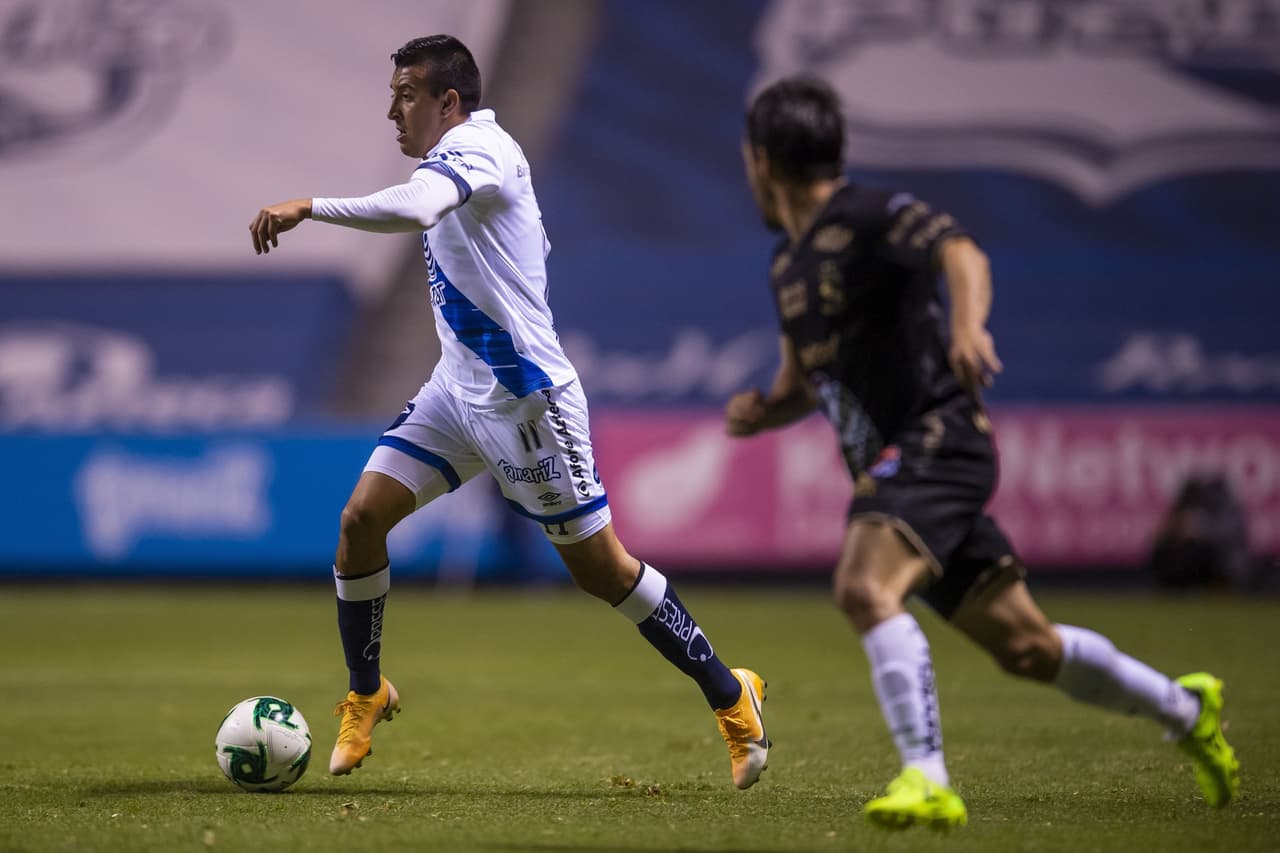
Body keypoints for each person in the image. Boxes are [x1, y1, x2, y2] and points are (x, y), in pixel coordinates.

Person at [247, 35, 768, 788]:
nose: (393, 112)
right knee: (361, 520)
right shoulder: (454, 160)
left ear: (448, 103)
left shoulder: (481, 151)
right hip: (457, 392)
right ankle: (367, 691)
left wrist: (310, 205)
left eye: (406, 97)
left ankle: (732, 692)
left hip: (529, 403)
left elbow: (418, 207)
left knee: (603, 571)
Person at [726, 75, 1238, 830]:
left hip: (938, 437)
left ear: (762, 160)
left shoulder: (867, 214)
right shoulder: (786, 266)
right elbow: (806, 381)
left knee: (865, 587)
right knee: (1028, 646)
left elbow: (960, 251)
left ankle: (926, 775)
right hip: (904, 468)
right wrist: (767, 408)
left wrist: (968, 330)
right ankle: (1184, 706)